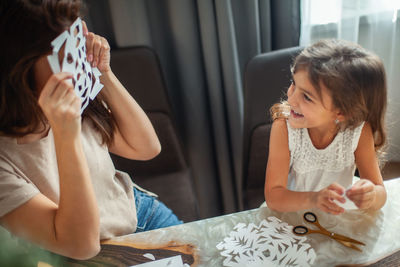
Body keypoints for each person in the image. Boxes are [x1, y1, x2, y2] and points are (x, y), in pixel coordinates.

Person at [0, 0, 181, 260]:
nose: (76, 61)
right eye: (64, 54)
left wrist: (102, 72)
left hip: (140, 212)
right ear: (20, 67)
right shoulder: (6, 157)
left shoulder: (80, 97)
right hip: (84, 253)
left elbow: (147, 148)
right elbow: (82, 246)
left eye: (77, 40)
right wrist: (66, 133)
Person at [264, 39, 387, 215]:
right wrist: (314, 199)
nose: (290, 99)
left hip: (338, 216)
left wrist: (371, 195)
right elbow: (274, 197)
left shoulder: (359, 132)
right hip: (294, 213)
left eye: (306, 97)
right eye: (293, 83)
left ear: (341, 113)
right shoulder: (283, 128)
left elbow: (380, 193)